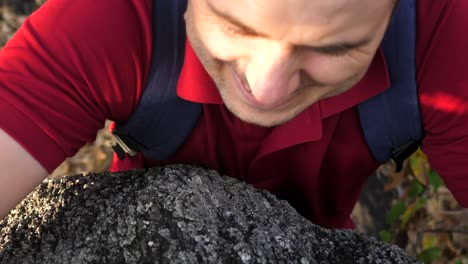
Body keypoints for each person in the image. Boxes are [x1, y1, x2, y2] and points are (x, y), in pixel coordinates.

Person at [0, 0, 467, 229]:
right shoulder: (113, 16)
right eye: (232, 26)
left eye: (336, 48)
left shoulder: (443, 32)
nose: (267, 92)